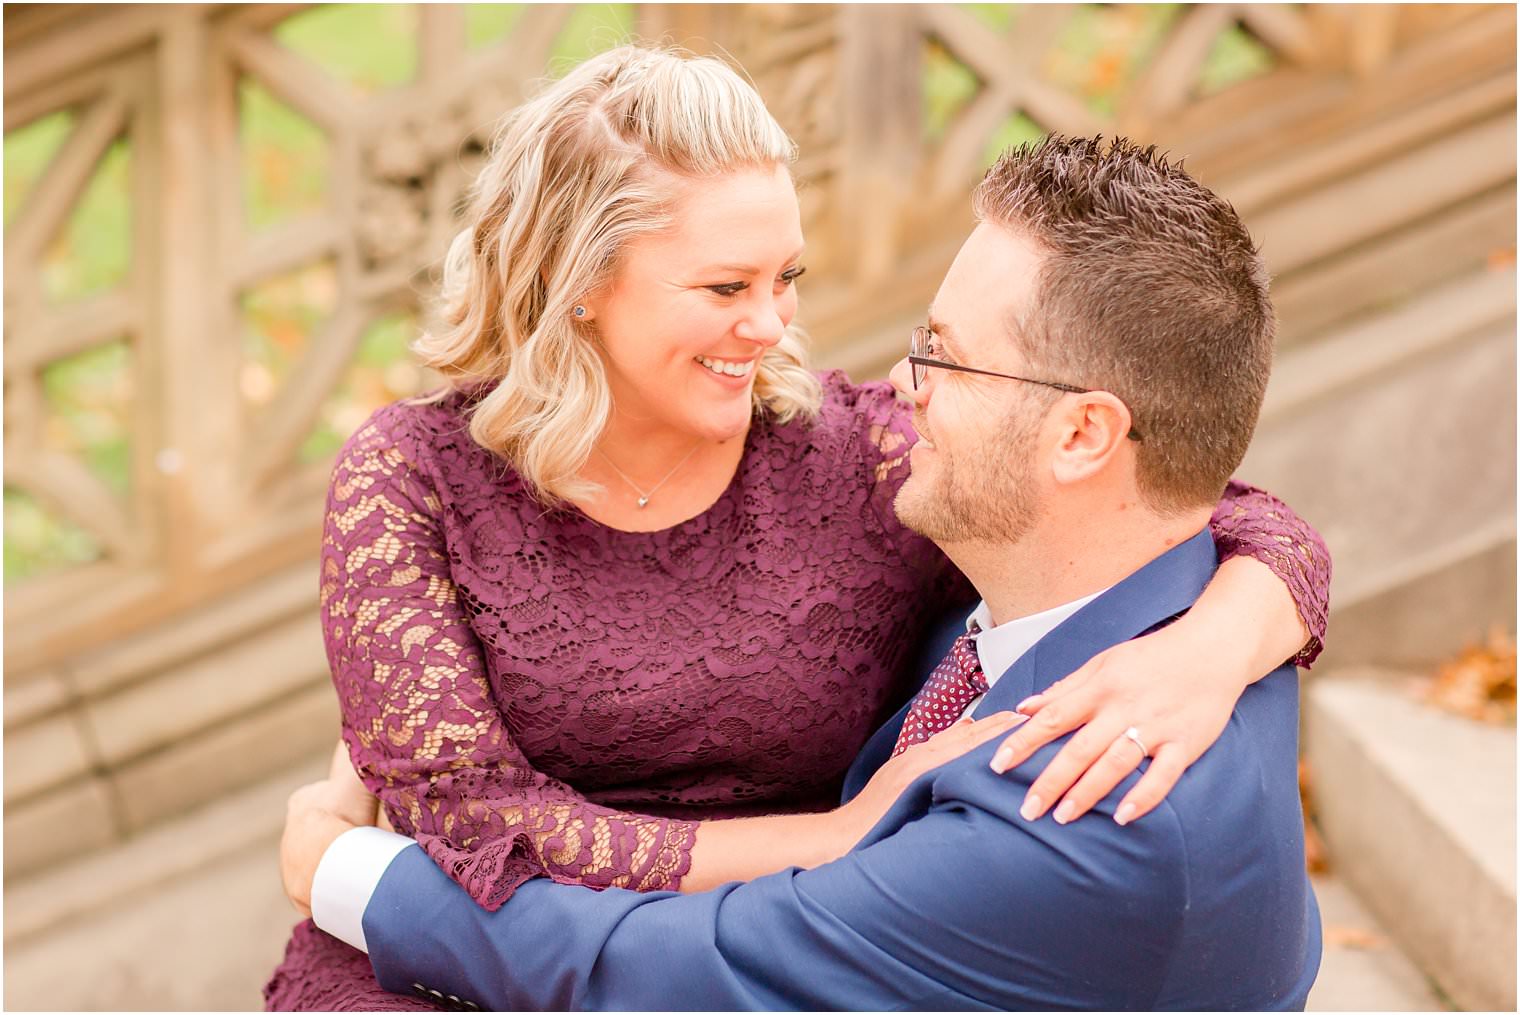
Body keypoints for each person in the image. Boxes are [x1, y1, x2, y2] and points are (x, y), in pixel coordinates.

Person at [265, 47, 1329, 1011]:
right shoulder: (411, 478)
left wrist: (1211, 643)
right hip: (443, 950)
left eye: (786, 279)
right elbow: (472, 826)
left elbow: (1179, 489)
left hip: (762, 952)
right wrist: (833, 832)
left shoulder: (849, 457)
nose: (771, 324)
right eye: (726, 285)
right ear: (573, 282)